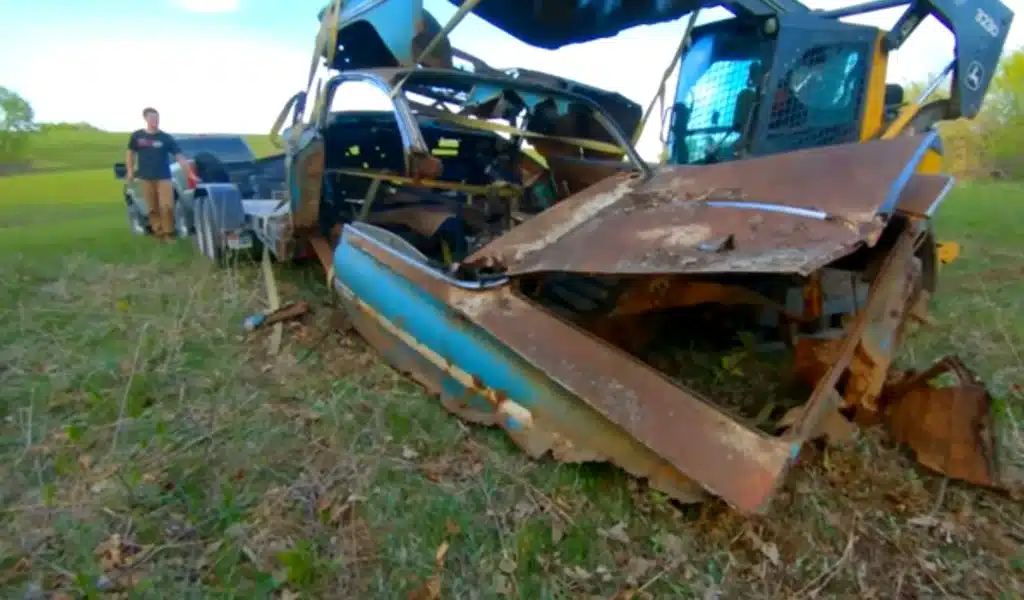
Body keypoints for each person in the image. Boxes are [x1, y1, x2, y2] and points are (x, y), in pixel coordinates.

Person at [124, 107, 198, 241]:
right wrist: (130, 171)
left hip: (164, 177)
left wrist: (189, 173)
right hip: (145, 177)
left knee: (167, 206)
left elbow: (179, 156)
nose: (155, 121)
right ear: (145, 119)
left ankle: (168, 233)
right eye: (152, 118)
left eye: (157, 118)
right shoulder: (137, 136)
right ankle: (158, 233)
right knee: (152, 208)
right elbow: (130, 153)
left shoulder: (165, 138)